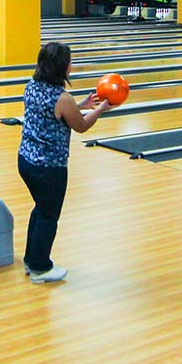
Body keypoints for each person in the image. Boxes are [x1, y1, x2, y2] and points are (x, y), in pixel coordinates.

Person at [18, 42, 112, 284]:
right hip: (49, 167)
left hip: (26, 160)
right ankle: (40, 268)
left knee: (41, 210)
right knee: (49, 215)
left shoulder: (32, 85)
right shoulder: (62, 97)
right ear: (61, 66)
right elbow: (80, 126)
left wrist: (79, 106)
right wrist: (101, 108)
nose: (72, 65)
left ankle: (31, 260)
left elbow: (52, 113)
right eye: (69, 61)